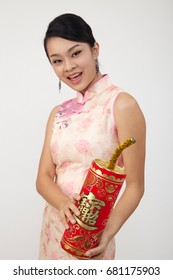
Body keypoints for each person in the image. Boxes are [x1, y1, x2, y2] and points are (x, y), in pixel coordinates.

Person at [36, 13, 146, 260]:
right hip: (53, 233)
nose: (68, 67)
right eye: (57, 60)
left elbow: (136, 185)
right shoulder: (58, 113)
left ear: (94, 50)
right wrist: (64, 204)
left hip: (92, 239)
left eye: (75, 53)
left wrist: (106, 233)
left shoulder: (121, 105)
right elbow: (43, 178)